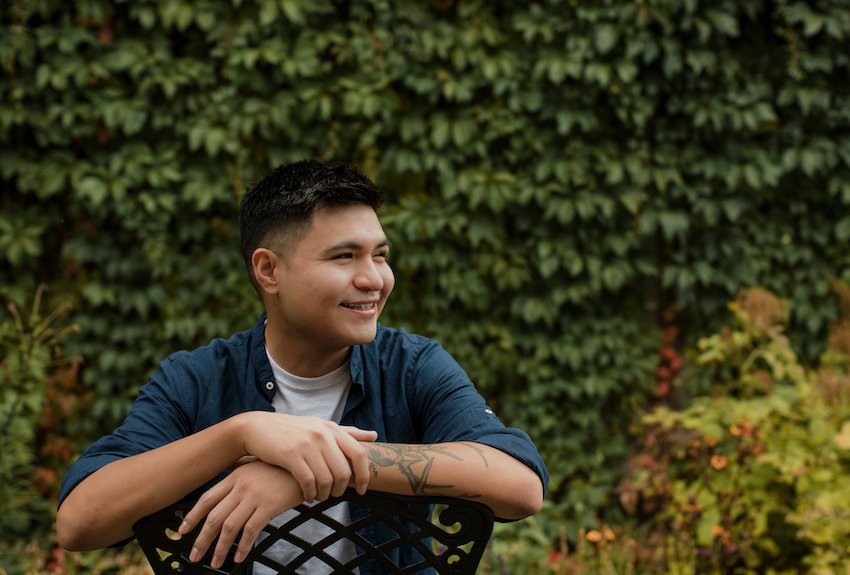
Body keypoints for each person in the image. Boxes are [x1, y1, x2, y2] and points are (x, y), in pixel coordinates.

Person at [56, 160, 548, 573]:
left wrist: (313, 470)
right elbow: (80, 522)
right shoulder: (196, 379)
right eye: (344, 257)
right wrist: (240, 434)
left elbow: (520, 486)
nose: (373, 279)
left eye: (380, 255)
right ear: (269, 270)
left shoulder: (412, 366)